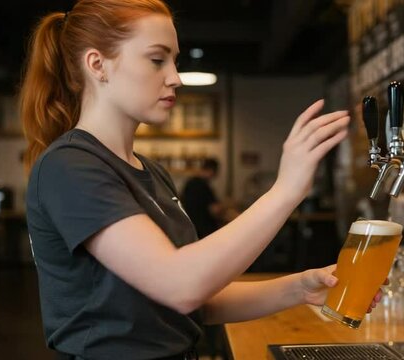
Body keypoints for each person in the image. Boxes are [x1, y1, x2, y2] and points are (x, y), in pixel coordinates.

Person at [20, 1, 378, 359]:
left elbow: (196, 302)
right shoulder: (68, 166)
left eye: (174, 61)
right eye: (157, 60)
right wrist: (285, 191)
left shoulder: (151, 172)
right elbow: (180, 285)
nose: (175, 77)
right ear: (98, 65)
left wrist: (300, 288)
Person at [181, 158, 237, 239]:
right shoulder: (204, 186)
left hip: (191, 228)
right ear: (212, 170)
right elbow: (215, 210)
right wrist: (227, 205)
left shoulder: (189, 183)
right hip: (204, 230)